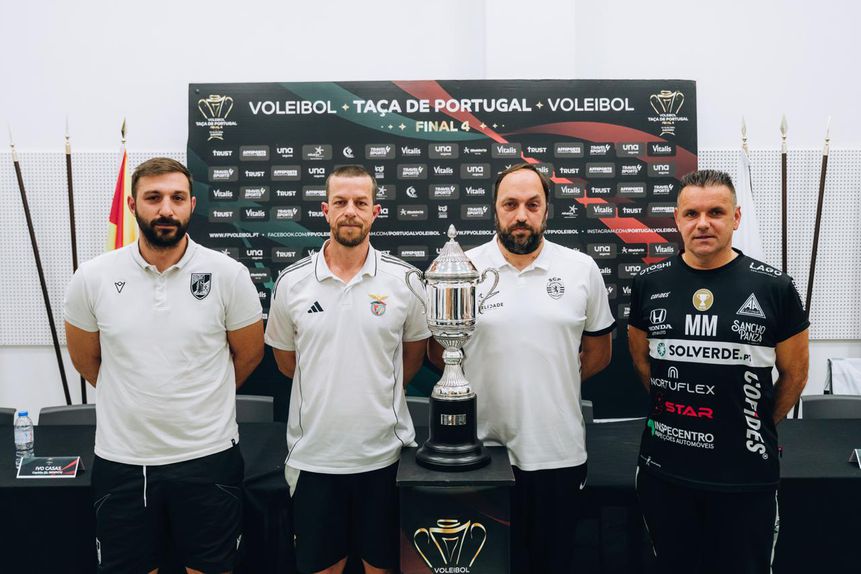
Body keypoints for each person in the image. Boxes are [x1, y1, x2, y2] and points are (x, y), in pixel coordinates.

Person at [64, 157, 264, 574]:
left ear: (192, 204)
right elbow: (86, 360)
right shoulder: (92, 277)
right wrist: (136, 393)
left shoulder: (228, 274)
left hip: (209, 456)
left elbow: (248, 355)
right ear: (133, 205)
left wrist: (197, 398)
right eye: (153, 198)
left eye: (177, 198)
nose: (166, 209)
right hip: (123, 460)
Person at [430, 162, 615, 573]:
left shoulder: (581, 269)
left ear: (547, 209)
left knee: (553, 563)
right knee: (489, 565)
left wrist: (552, 380)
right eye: (510, 204)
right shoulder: (463, 269)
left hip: (558, 452)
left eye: (532, 204)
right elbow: (437, 352)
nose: (521, 215)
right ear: (494, 209)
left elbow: (598, 353)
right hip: (482, 451)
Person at [628, 169, 809, 574]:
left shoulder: (774, 287)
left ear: (736, 217)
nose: (703, 223)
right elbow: (642, 362)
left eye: (716, 212)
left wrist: (755, 421)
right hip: (665, 472)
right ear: (677, 219)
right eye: (691, 213)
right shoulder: (648, 283)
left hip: (745, 475)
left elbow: (795, 375)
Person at [264, 164, 430, 574]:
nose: (350, 211)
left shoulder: (405, 280)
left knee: (382, 567)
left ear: (375, 211)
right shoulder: (292, 282)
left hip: (386, 458)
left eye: (360, 202)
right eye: (340, 202)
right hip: (315, 459)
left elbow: (412, 358)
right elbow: (287, 363)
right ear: (325, 210)